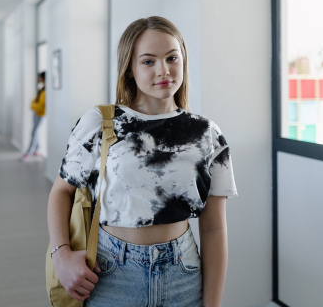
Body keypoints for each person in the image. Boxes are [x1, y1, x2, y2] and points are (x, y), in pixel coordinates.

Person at [47, 16, 237, 307]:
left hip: (182, 273)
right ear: (130, 69)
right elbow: (62, 191)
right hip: (110, 273)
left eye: (172, 58)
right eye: (148, 61)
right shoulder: (101, 122)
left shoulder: (206, 133)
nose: (164, 70)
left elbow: (213, 229)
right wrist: (60, 255)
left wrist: (212, 304)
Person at [21, 71, 46, 161]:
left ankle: (29, 153)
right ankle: (37, 149)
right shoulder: (41, 89)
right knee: (36, 132)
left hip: (42, 114)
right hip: (36, 113)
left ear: (43, 78)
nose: (38, 78)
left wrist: (33, 106)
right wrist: (34, 105)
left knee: (34, 132)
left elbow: (41, 104)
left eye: (39, 77)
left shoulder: (46, 90)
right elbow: (34, 101)